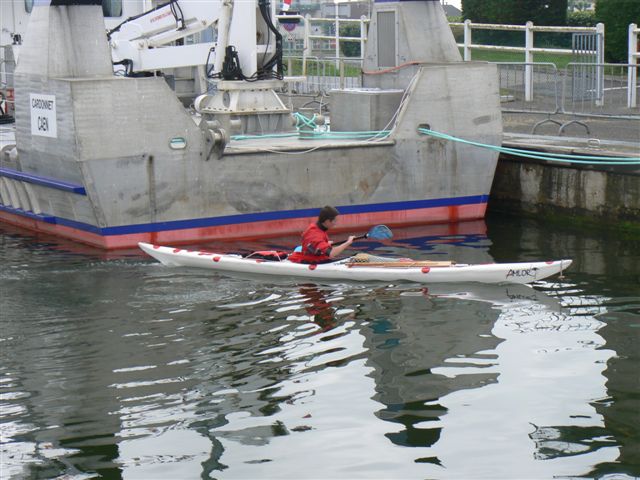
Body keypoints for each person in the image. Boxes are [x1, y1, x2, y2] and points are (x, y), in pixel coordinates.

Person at [288, 206, 355, 264]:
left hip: (312, 255)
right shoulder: (316, 235)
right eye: (335, 221)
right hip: (311, 261)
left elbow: (313, 244)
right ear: (327, 221)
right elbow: (331, 253)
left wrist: (325, 243)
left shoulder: (315, 227)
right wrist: (348, 242)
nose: (336, 223)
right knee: (352, 256)